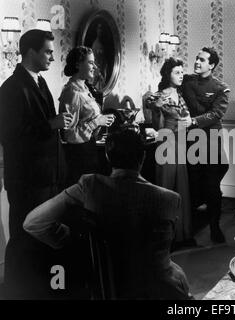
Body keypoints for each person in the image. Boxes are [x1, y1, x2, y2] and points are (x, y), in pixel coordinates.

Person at [23, 128, 192, 300]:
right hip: (161, 289)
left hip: (108, 287)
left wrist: (74, 242)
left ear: (107, 157)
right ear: (143, 157)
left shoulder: (90, 186)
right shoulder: (170, 199)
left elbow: (34, 223)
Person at [0, 29, 71, 298]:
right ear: (31, 52)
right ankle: (16, 291)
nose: (53, 57)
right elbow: (8, 135)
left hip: (48, 178)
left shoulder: (40, 82)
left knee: (42, 238)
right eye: (48, 52)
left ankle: (40, 288)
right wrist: (49, 124)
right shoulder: (10, 88)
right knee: (23, 237)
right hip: (28, 181)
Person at [181, 47, 230, 243]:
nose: (197, 62)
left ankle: (215, 227)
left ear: (212, 65)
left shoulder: (220, 88)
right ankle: (191, 228)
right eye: (196, 58)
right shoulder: (186, 82)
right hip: (191, 142)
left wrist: (194, 121)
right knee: (192, 184)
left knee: (212, 187)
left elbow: (217, 113)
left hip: (210, 142)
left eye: (202, 60)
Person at [147, 57, 195, 248]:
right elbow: (155, 125)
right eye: (177, 72)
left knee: (180, 188)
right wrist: (156, 108)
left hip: (180, 144)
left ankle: (181, 235)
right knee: (166, 189)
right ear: (168, 75)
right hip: (166, 144)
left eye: (182, 72)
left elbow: (187, 119)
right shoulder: (159, 96)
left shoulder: (180, 95)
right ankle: (165, 238)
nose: (181, 75)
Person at [59, 46, 115, 186]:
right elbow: (69, 135)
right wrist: (97, 122)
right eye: (90, 62)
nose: (95, 67)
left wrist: (102, 121)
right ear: (78, 64)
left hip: (89, 151)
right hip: (79, 157)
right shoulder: (72, 92)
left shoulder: (84, 88)